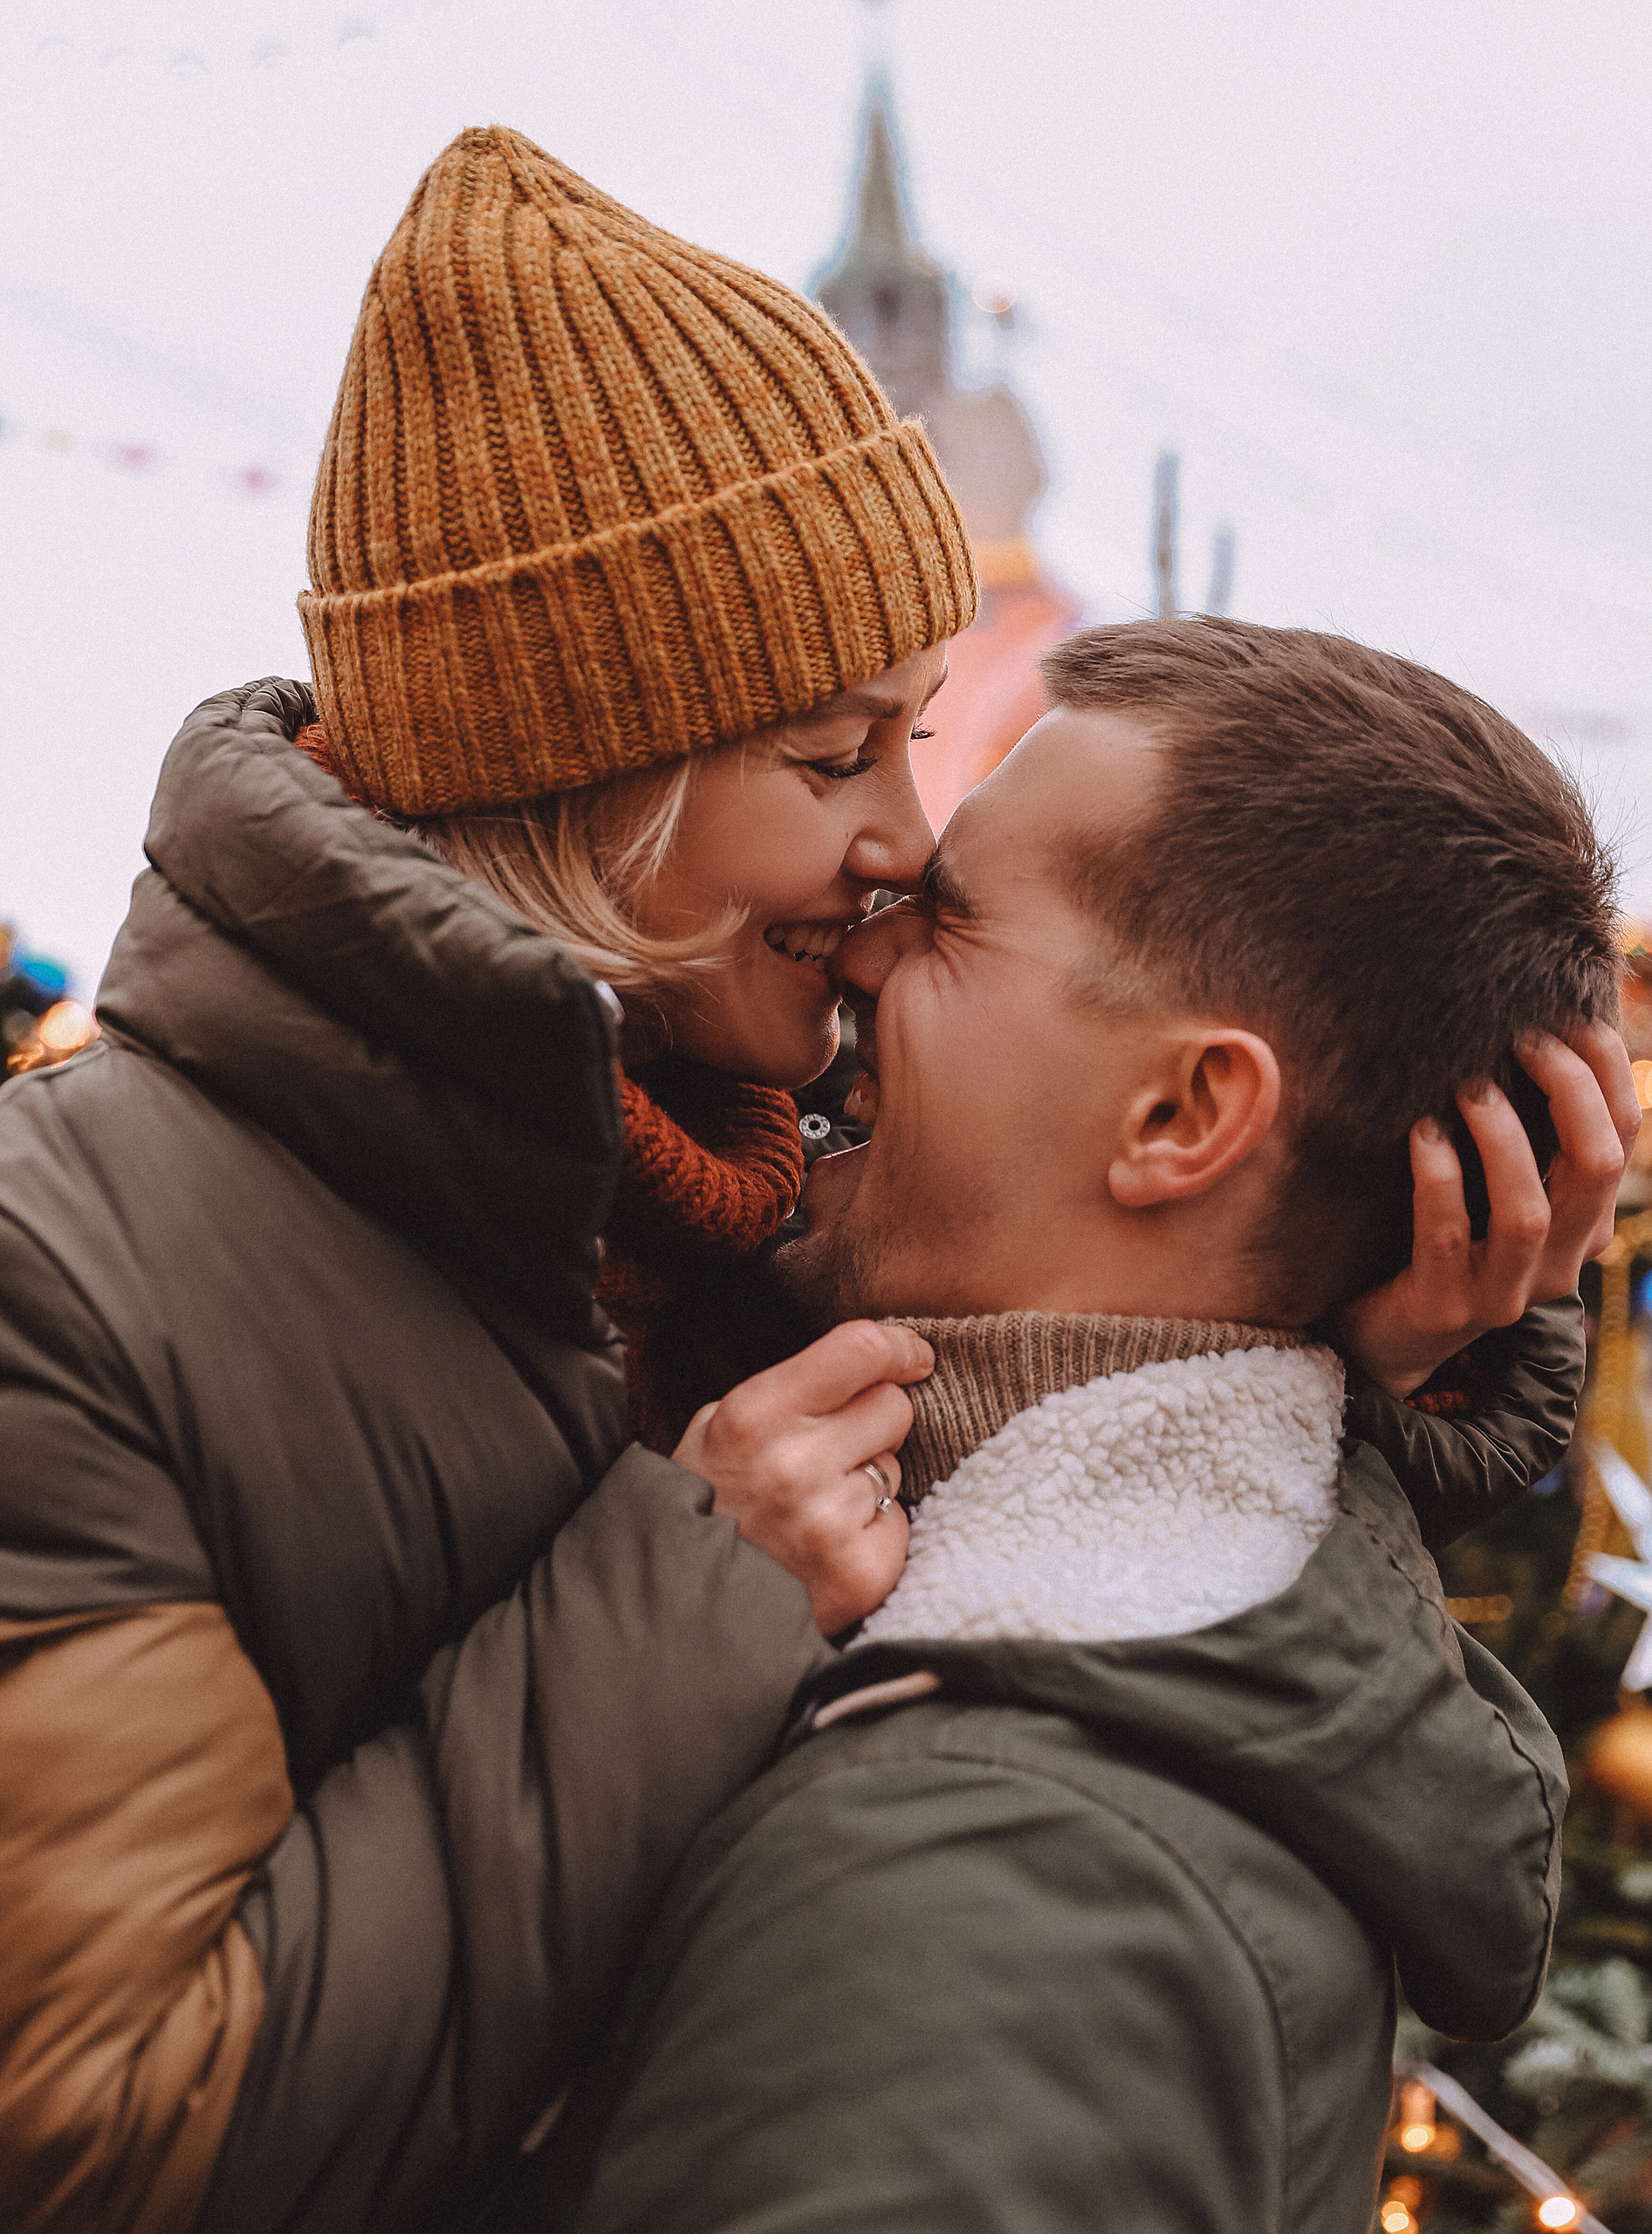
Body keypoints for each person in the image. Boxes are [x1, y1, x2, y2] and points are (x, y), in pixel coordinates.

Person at [0, 124, 965, 2234]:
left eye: (916, 736)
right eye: (835, 754)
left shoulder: (766, 1188)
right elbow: (105, 2129)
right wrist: (694, 1595)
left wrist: (1420, 1319)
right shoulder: (54, 1272)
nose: (909, 833)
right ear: (571, 773)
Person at [532, 618, 1639, 2234]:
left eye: (953, 917)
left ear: (1182, 1116)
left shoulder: (984, 1871)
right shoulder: (1122, 1632)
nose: (863, 946)